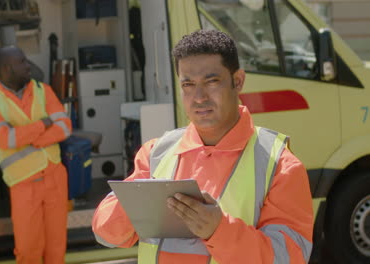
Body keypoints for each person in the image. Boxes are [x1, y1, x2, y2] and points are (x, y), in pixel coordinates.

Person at [92, 29, 313, 263]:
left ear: (237, 81)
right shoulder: (156, 153)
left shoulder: (280, 165)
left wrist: (219, 230)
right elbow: (106, 235)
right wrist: (132, 206)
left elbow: (289, 258)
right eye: (188, 84)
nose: (198, 97)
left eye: (211, 81)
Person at [0, 46, 72, 264]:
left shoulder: (43, 90)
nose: (28, 66)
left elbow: (65, 127)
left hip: (55, 178)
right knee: (28, 250)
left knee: (56, 249)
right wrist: (42, 124)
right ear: (7, 68)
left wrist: (30, 137)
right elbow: (5, 139)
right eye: (22, 62)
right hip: (24, 184)